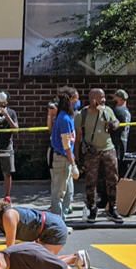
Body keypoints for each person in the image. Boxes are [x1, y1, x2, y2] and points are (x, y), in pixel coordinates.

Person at [0, 198, 88, 269]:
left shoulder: (8, 216)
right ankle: (76, 257)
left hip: (53, 229)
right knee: (35, 262)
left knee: (41, 265)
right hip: (43, 232)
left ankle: (75, 259)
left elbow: (10, 249)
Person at [79, 88, 123, 224]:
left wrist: (114, 124)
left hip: (108, 149)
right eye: (100, 97)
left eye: (104, 97)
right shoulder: (83, 114)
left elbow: (116, 122)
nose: (103, 100)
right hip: (92, 151)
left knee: (112, 179)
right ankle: (92, 209)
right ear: (92, 99)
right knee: (91, 181)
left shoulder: (107, 110)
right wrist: (77, 155)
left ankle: (112, 208)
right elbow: (77, 134)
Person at [48, 87, 77, 218]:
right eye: (75, 100)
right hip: (63, 159)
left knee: (67, 192)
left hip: (65, 158)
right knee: (59, 192)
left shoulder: (65, 117)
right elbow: (66, 145)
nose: (77, 103)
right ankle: (57, 222)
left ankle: (62, 219)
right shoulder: (64, 119)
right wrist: (73, 164)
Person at [110, 89, 131, 161]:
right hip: (124, 139)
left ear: (120, 98)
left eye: (115, 97)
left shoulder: (117, 110)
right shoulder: (127, 111)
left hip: (117, 141)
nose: (113, 99)